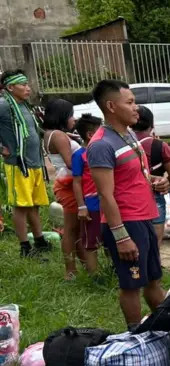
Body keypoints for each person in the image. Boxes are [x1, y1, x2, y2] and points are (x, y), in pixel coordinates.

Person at [89, 79, 170, 328]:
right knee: (131, 285)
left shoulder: (128, 134)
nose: (137, 108)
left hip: (144, 218)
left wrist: (157, 181)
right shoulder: (101, 145)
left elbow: (134, 176)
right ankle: (135, 336)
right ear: (111, 106)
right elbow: (105, 195)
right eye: (130, 102)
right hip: (126, 224)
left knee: (154, 280)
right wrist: (121, 237)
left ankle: (169, 328)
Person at [1, 69, 51, 258]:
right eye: (23, 85)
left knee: (34, 205)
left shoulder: (24, 106)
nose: (28, 88)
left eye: (27, 84)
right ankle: (25, 247)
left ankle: (40, 241)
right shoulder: (4, 105)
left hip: (35, 163)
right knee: (21, 206)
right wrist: (1, 148)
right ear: (10, 87)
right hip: (18, 164)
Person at [42, 99, 85, 279]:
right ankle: (70, 271)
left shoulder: (52, 134)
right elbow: (70, 163)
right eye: (70, 115)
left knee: (76, 230)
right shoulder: (58, 135)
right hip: (69, 184)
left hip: (66, 182)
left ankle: (86, 267)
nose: (73, 119)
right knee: (70, 230)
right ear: (62, 115)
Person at [134, 106, 170, 246]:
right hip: (154, 197)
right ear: (152, 124)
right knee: (154, 245)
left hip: (128, 199)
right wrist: (166, 185)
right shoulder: (160, 146)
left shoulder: (121, 143)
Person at [70, 114, 103, 276]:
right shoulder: (79, 155)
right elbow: (76, 182)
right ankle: (94, 277)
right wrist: (82, 206)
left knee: (111, 240)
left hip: (109, 203)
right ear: (90, 135)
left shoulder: (105, 151)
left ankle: (114, 272)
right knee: (91, 243)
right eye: (101, 132)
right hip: (92, 205)